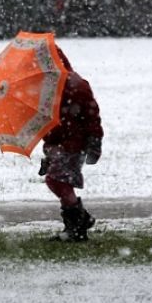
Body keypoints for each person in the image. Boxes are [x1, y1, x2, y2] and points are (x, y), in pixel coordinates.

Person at [39, 46, 103, 242]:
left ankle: (77, 223)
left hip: (73, 145)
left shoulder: (75, 85)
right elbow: (49, 123)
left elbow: (92, 117)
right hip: (59, 145)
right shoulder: (46, 87)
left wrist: (94, 142)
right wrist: (48, 148)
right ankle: (77, 222)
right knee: (57, 180)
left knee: (57, 181)